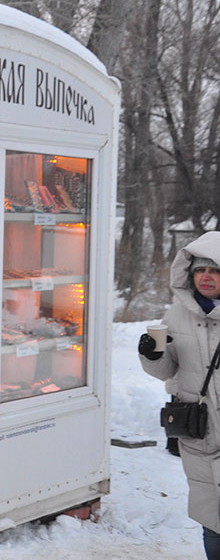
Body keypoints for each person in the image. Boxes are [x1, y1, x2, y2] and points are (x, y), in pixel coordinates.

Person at [139, 230, 220, 559]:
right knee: (211, 518)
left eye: (214, 269)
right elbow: (166, 372)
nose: (206, 277)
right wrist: (151, 356)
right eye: (199, 270)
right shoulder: (175, 315)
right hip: (200, 436)